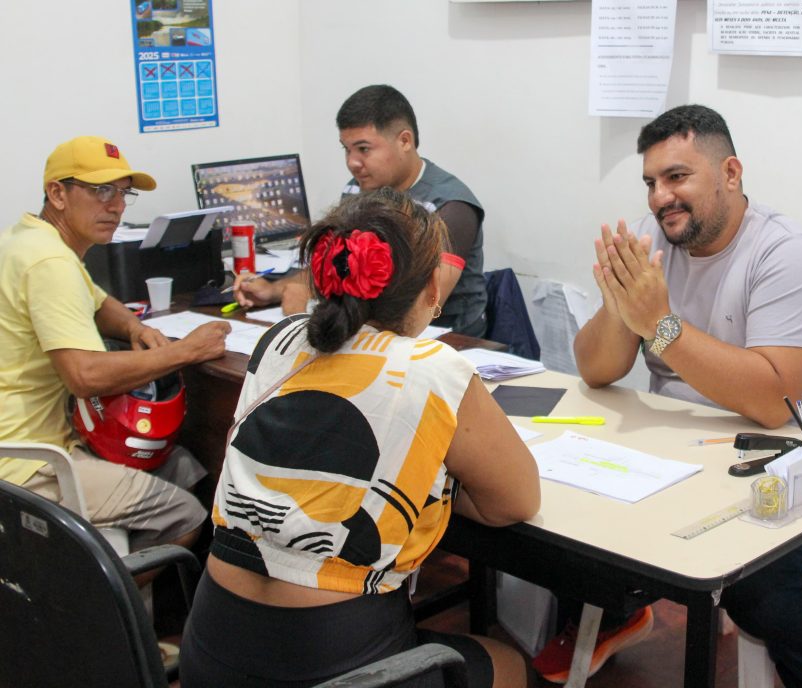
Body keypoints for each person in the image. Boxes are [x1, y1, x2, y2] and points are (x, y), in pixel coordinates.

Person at [534, 105, 802, 687]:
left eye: (677, 177)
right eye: (651, 183)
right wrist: (619, 300)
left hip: (777, 452)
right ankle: (619, 615)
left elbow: (775, 398)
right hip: (677, 443)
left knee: (761, 585)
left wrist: (660, 326)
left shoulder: (789, 255)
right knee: (558, 520)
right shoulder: (652, 242)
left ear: (730, 172)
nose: (660, 198)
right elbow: (597, 370)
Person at [180, 188, 540, 688]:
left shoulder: (279, 339)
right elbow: (515, 501)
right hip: (335, 664)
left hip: (212, 650)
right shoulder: (434, 369)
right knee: (510, 665)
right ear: (434, 288)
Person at [0, 135, 230, 557]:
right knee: (187, 514)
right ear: (58, 193)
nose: (117, 205)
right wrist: (186, 352)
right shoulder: (50, 263)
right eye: (101, 190)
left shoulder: (31, 240)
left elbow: (98, 302)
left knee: (186, 465)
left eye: (123, 193)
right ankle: (110, 616)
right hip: (27, 462)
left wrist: (132, 328)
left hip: (33, 441)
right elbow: (84, 376)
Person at [234, 84, 489, 337]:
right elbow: (338, 268)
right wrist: (276, 289)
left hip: (447, 339)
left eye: (364, 149)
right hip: (371, 333)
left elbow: (424, 303)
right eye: (347, 149)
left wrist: (305, 311)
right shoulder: (358, 191)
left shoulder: (452, 206)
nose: (352, 162)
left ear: (404, 141)